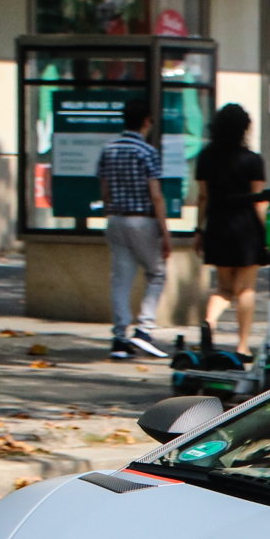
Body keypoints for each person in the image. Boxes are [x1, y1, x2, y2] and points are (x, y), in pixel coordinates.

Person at [191, 103, 268, 358]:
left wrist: (199, 229)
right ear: (245, 128)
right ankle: (243, 345)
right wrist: (266, 234)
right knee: (245, 288)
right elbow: (259, 200)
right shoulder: (252, 160)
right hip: (246, 228)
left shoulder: (206, 157)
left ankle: (209, 322)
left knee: (224, 288)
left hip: (217, 225)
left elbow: (203, 197)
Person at [97, 102, 171, 358]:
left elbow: (104, 190)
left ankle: (119, 339)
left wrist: (112, 208)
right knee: (157, 273)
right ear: (146, 122)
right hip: (142, 220)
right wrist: (164, 229)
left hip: (116, 220)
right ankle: (144, 330)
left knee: (121, 278)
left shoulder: (109, 150)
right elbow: (156, 195)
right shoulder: (147, 152)